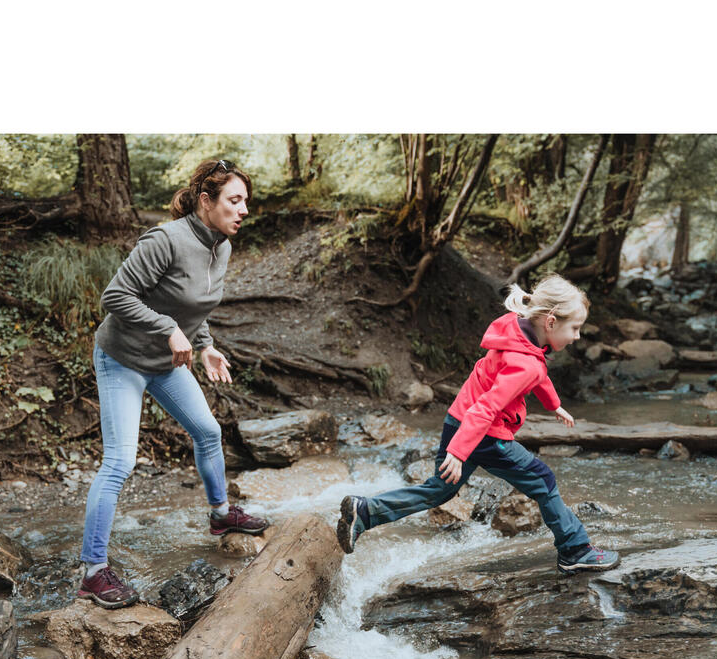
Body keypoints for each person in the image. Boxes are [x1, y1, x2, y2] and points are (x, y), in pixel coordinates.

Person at [78, 159, 269, 609]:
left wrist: (204, 344)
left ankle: (222, 516)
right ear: (207, 201)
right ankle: (92, 571)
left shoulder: (222, 246)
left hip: (167, 362)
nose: (243, 211)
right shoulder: (166, 240)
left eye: (246, 202)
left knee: (208, 431)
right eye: (234, 201)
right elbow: (115, 296)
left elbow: (192, 307)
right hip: (121, 359)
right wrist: (167, 327)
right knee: (120, 461)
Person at [336, 273, 619, 575]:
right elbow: (488, 406)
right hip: (483, 435)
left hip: (457, 420)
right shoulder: (526, 364)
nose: (577, 336)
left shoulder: (516, 331)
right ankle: (575, 550)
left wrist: (554, 405)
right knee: (544, 481)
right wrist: (459, 453)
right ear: (550, 322)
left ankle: (365, 511)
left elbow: (538, 372)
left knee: (438, 491)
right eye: (574, 328)